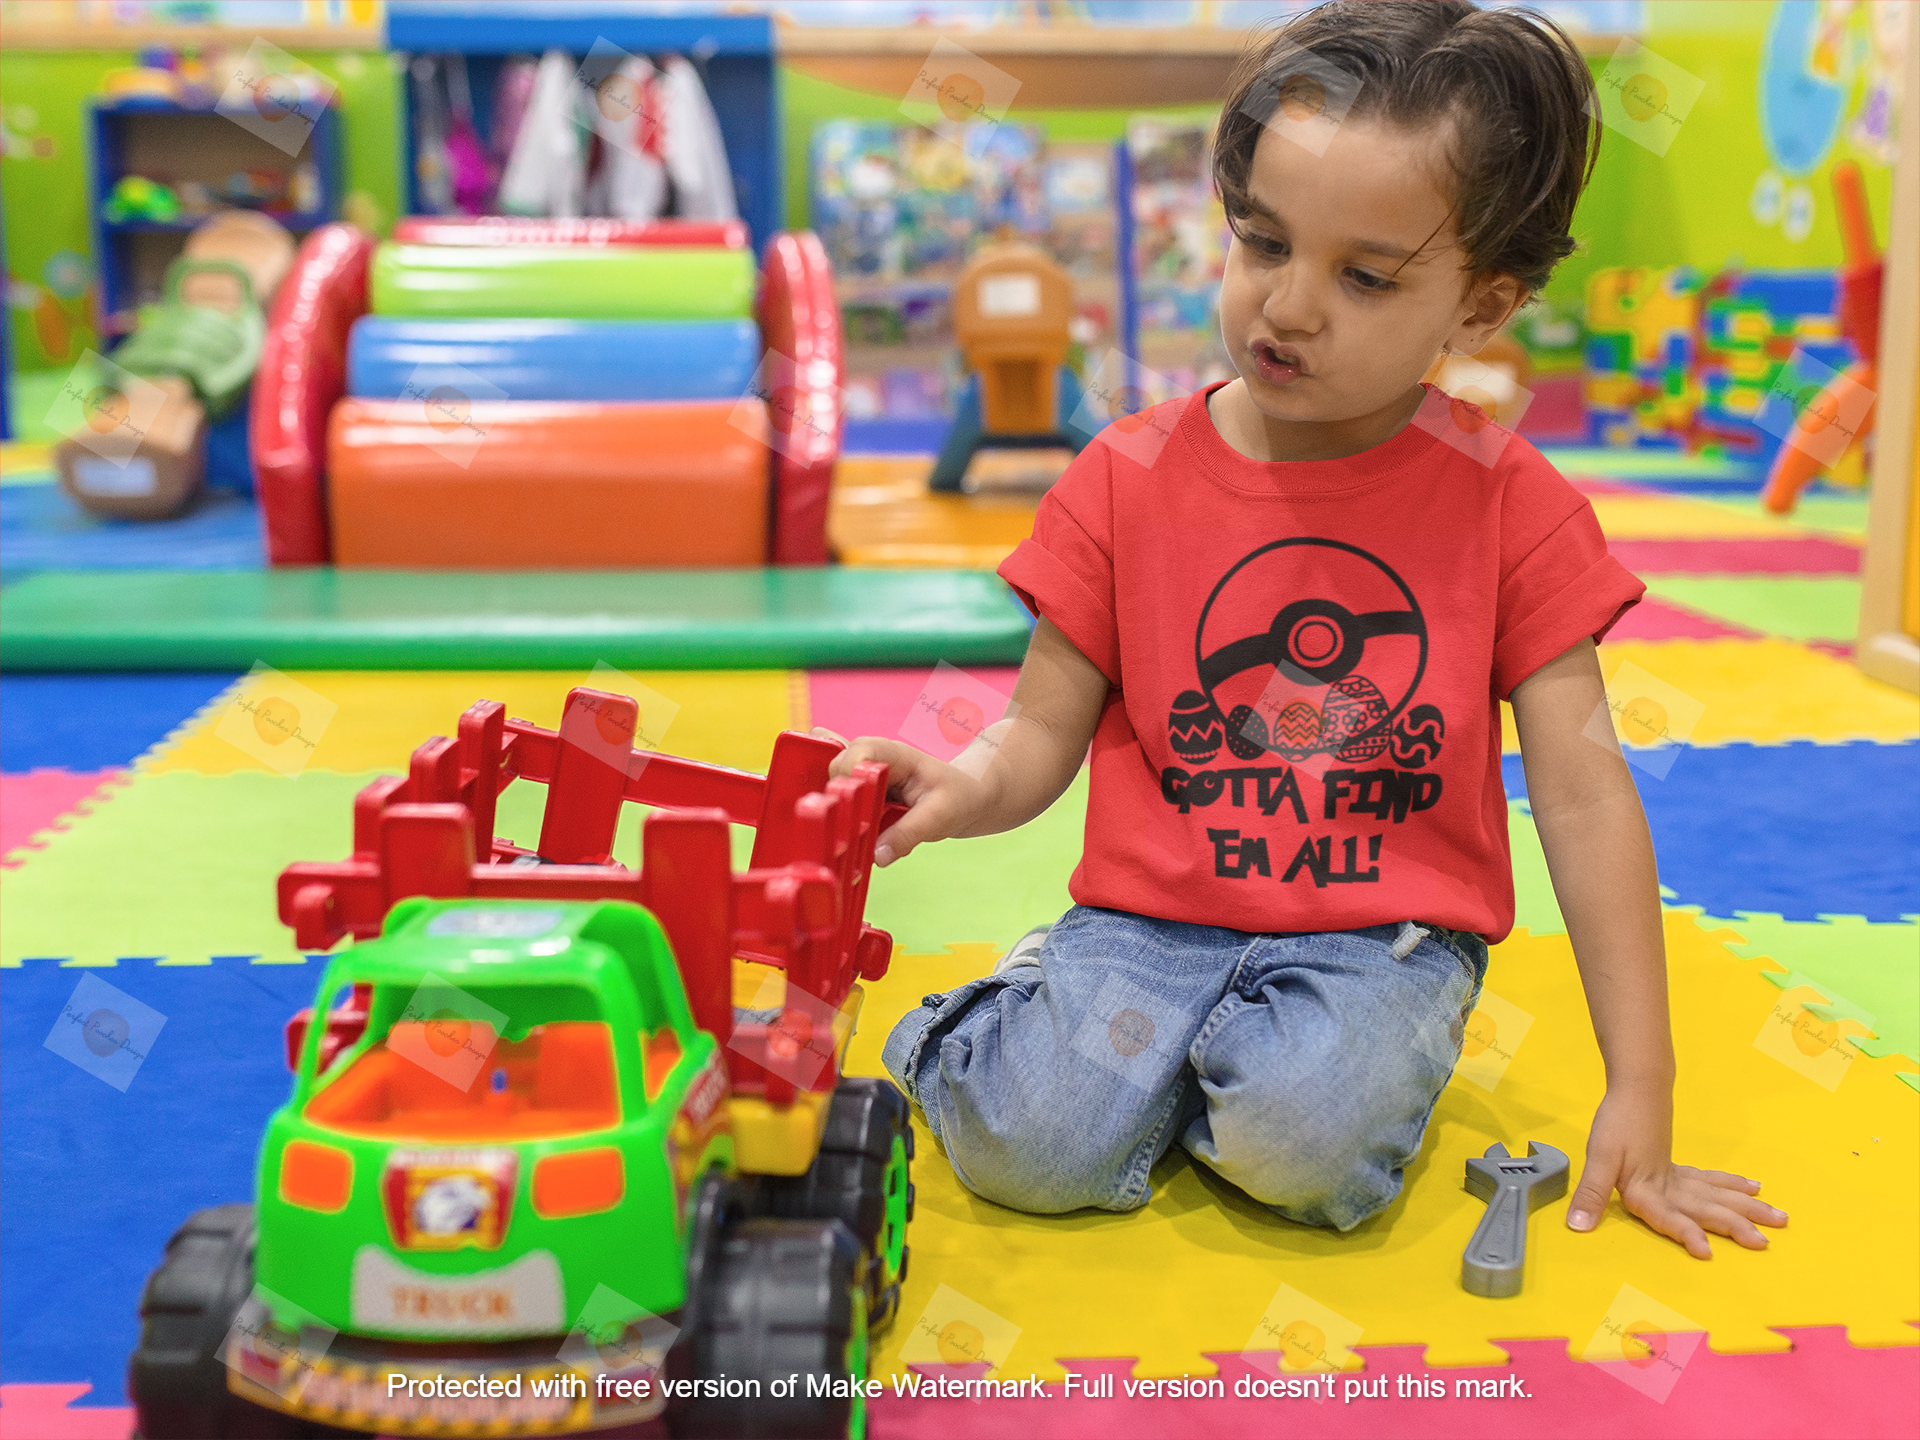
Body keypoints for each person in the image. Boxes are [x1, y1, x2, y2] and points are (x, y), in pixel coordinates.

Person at [822, 0, 1787, 1257]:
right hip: (1149, 920)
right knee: (1028, 1149)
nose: (1290, 305)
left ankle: (1213, 1062)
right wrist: (956, 781)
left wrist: (1642, 1087)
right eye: (1262, 242)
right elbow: (1037, 732)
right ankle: (1031, 1018)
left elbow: (1588, 794)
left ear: (1481, 306)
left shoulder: (1513, 507)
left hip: (1377, 940)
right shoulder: (1123, 475)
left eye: (1366, 276)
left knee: (1305, 1142)